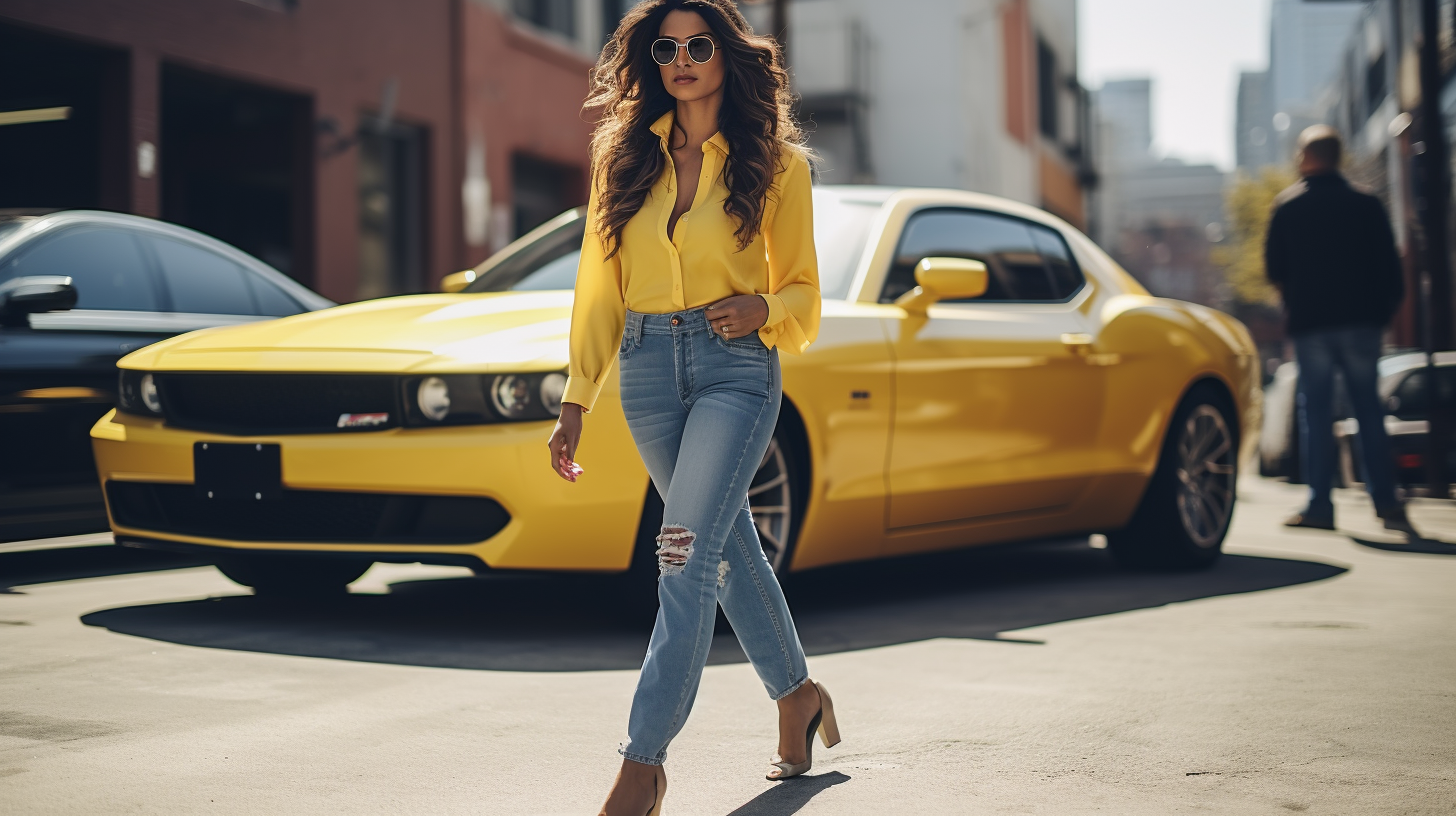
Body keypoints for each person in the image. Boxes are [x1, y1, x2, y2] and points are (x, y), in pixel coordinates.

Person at [545, 2, 841, 813]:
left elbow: (807, 294)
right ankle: (798, 698)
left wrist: (763, 310)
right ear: (651, 59)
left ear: (726, 56)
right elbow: (599, 287)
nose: (682, 58)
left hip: (735, 370)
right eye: (666, 46)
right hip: (644, 371)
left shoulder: (777, 164)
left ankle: (643, 765)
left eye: (699, 44)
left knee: (680, 558)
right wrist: (578, 397)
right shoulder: (623, 159)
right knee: (723, 544)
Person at [1265, 124, 1412, 533]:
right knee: (1369, 410)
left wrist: (1295, 303)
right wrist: (1382, 315)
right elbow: (1390, 268)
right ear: (1338, 157)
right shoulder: (1365, 204)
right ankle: (1387, 503)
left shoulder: (1287, 206)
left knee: (1316, 412)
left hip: (1312, 325)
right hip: (1362, 323)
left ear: (1305, 158)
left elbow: (1275, 271)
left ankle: (1319, 505)